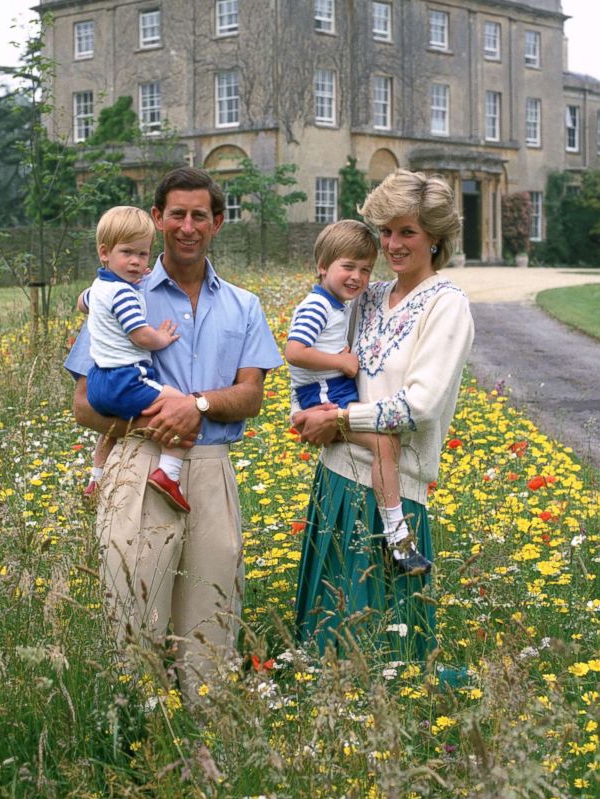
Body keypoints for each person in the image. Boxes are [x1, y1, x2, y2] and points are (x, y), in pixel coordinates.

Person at [64, 168, 282, 702]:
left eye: (200, 216)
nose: (188, 227)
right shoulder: (118, 292)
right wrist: (156, 421)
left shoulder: (243, 305)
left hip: (210, 471)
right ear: (158, 219)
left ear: (218, 223)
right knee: (133, 620)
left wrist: (198, 405)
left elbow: (251, 395)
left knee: (212, 622)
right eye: (177, 215)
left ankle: (212, 755)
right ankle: (140, 749)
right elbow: (83, 405)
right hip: (138, 463)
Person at [293, 169, 474, 663]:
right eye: (386, 232)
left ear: (435, 237)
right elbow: (318, 350)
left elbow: (419, 406)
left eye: (407, 232)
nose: (393, 244)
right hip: (336, 477)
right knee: (328, 643)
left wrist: (338, 420)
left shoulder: (446, 305)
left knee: (388, 654)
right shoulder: (367, 296)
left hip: (396, 490)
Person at [285, 221, 429, 575]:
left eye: (365, 269)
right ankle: (397, 538)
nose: (357, 277)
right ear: (322, 266)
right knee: (384, 445)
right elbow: (294, 351)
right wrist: (342, 361)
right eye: (348, 267)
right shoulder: (317, 306)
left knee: (385, 446)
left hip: (333, 392)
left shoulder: (338, 305)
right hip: (325, 395)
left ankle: (395, 533)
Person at [79, 205, 190, 513]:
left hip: (99, 382)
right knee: (182, 407)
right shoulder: (124, 295)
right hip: (127, 378)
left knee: (109, 431)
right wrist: (162, 338)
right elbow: (139, 335)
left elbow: (82, 302)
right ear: (104, 252)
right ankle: (169, 473)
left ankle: (96, 477)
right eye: (127, 253)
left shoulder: (99, 287)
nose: (136, 262)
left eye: (143, 255)